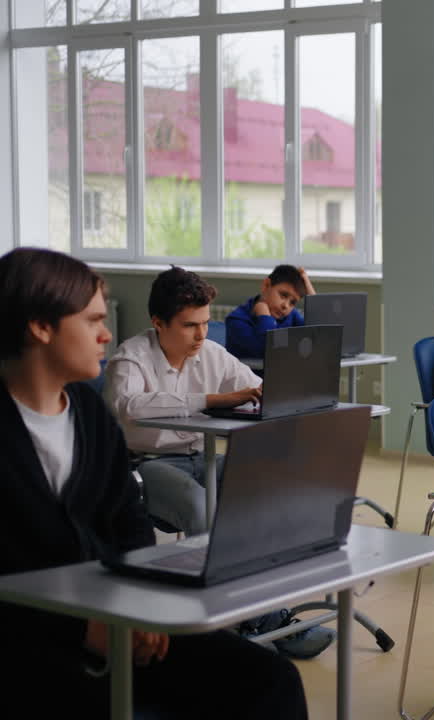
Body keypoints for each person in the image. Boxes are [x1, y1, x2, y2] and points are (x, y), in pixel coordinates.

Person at [0, 247, 308, 719]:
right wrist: (84, 629)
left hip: (118, 620)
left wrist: (142, 612)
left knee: (273, 680)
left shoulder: (86, 413)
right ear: (41, 327)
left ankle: (258, 612)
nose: (105, 334)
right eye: (91, 321)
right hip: (34, 642)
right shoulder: (113, 382)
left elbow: (129, 523)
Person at [104, 266, 334, 659]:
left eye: (206, 323)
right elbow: (128, 407)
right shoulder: (131, 358)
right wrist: (210, 400)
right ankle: (218, 630)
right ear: (158, 323)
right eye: (189, 325)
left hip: (203, 456)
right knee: (200, 507)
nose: (201, 335)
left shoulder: (210, 353)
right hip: (146, 466)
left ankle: (264, 615)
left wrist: (279, 394)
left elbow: (254, 386)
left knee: (265, 491)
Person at [224, 264, 316, 358]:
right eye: (283, 295)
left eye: (292, 302)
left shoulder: (291, 315)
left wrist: (310, 290)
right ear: (266, 285)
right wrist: (265, 317)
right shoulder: (236, 321)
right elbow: (266, 351)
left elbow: (317, 331)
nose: (285, 305)